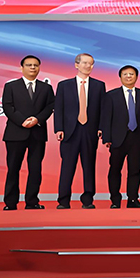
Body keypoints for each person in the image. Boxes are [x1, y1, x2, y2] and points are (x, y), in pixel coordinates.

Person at [1, 55, 54, 210]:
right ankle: (10, 202)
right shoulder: (11, 86)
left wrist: (37, 119)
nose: (32, 68)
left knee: (35, 169)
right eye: (29, 65)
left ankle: (32, 201)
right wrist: (22, 121)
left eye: (35, 65)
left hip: (37, 133)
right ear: (21, 67)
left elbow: (50, 106)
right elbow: (8, 107)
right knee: (13, 168)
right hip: (15, 133)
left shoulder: (46, 88)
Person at [54, 53, 106, 209]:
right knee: (67, 166)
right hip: (70, 131)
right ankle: (63, 200)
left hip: (90, 131)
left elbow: (103, 109)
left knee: (89, 166)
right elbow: (59, 108)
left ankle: (88, 199)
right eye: (84, 63)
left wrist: (101, 127)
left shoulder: (99, 85)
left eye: (91, 63)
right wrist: (59, 128)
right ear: (76, 65)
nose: (88, 66)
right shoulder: (64, 85)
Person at [100, 65, 140, 209]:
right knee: (115, 169)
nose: (128, 76)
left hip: (137, 138)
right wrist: (107, 138)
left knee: (135, 170)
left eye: (131, 74)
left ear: (136, 77)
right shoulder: (111, 95)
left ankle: (133, 200)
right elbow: (106, 118)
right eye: (125, 74)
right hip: (117, 139)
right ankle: (115, 200)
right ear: (120, 77)